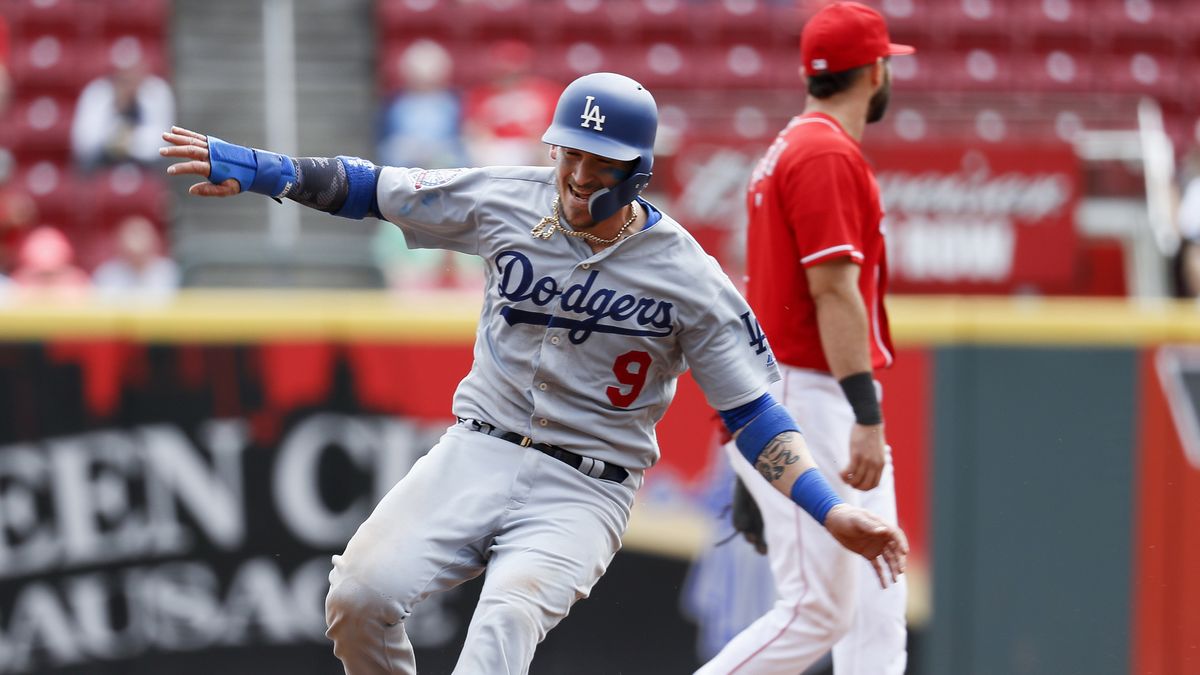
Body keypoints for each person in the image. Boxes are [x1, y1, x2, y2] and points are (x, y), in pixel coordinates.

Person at [160, 71, 907, 675]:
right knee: (358, 594)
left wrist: (829, 507)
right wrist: (263, 172)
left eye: (598, 159)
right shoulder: (510, 198)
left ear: (638, 170)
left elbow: (754, 415)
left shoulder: (689, 275)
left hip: (587, 482)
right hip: (477, 447)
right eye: (568, 151)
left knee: (506, 620)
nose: (578, 172)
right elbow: (372, 188)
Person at [699, 4, 914, 674]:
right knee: (819, 608)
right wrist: (866, 414)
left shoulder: (796, 144)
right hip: (806, 390)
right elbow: (832, 291)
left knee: (879, 600)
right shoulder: (821, 151)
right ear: (875, 71)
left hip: (790, 386)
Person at [71, 36, 175, 172]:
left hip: (146, 166)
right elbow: (84, 142)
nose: (128, 84)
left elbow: (163, 141)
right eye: (123, 78)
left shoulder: (157, 91)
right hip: (103, 165)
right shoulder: (96, 93)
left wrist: (129, 142)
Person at [460, 40, 560, 167]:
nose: (509, 77)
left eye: (515, 73)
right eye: (504, 72)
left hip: (532, 148)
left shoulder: (546, 92)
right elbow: (475, 128)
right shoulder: (481, 94)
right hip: (495, 149)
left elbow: (553, 128)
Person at [92, 214, 179, 300]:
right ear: (120, 243)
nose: (137, 241)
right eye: (133, 234)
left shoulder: (167, 270)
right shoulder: (107, 274)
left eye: (142, 234)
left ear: (154, 241)